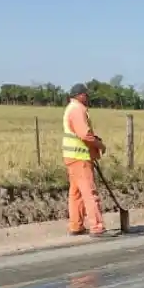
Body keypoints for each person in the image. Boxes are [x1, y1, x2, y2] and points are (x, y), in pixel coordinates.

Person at [62, 83, 107, 237]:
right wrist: (99, 145)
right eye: (86, 95)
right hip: (80, 157)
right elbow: (84, 135)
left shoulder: (71, 108)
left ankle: (76, 226)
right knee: (89, 192)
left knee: (76, 193)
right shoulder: (77, 110)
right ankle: (97, 227)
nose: (88, 98)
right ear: (80, 95)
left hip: (72, 157)